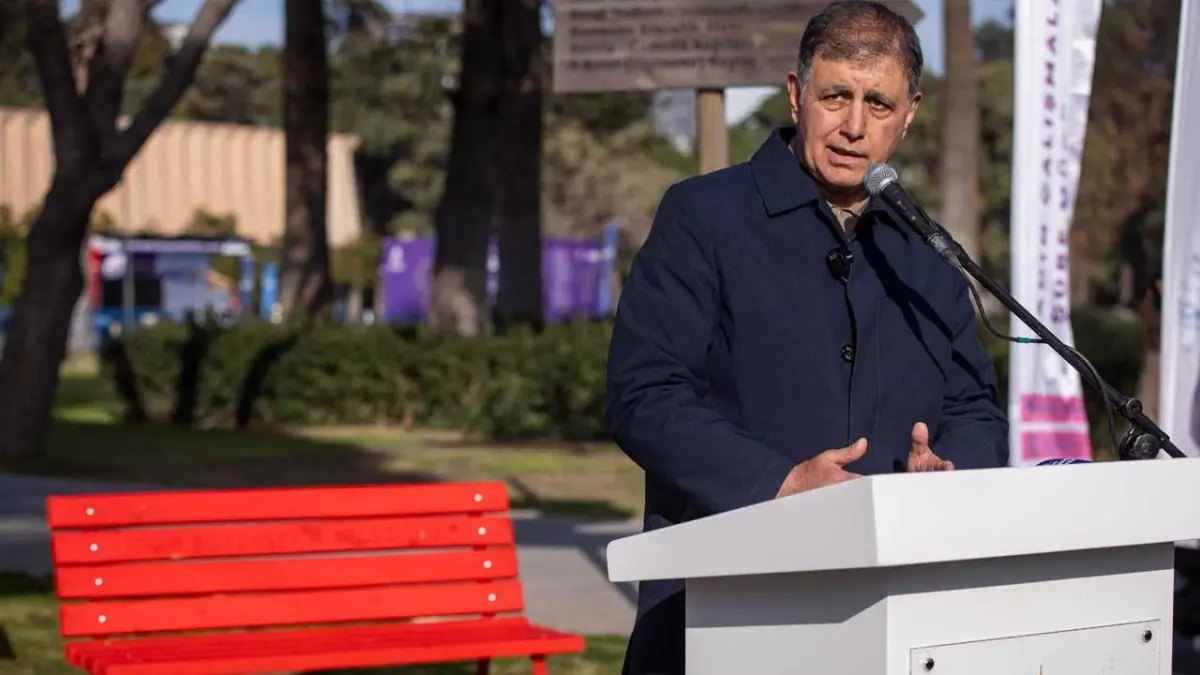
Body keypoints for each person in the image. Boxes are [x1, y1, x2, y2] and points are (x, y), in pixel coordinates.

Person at [603, 2, 1009, 673]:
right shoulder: (704, 216)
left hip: (891, 617)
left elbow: (975, 411)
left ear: (909, 114)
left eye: (878, 103)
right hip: (721, 608)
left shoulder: (928, 254)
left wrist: (947, 473)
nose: (854, 126)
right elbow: (643, 394)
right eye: (835, 96)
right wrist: (781, 482)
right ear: (796, 95)